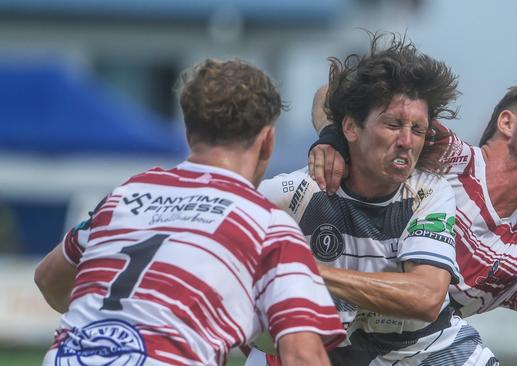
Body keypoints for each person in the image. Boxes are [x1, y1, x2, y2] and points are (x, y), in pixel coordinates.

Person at [310, 80, 517, 364]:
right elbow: (333, 93)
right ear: (507, 123)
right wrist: (331, 138)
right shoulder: (444, 153)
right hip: (313, 334)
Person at [34, 58, 346, 366]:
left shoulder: (125, 196)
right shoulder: (268, 225)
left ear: (188, 133)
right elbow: (303, 356)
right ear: (267, 141)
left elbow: (48, 278)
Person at [254, 32, 499, 365]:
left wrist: (305, 269)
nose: (406, 141)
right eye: (394, 124)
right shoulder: (291, 194)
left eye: (418, 129)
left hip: (431, 352)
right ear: (351, 129)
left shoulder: (428, 191)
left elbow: (425, 297)